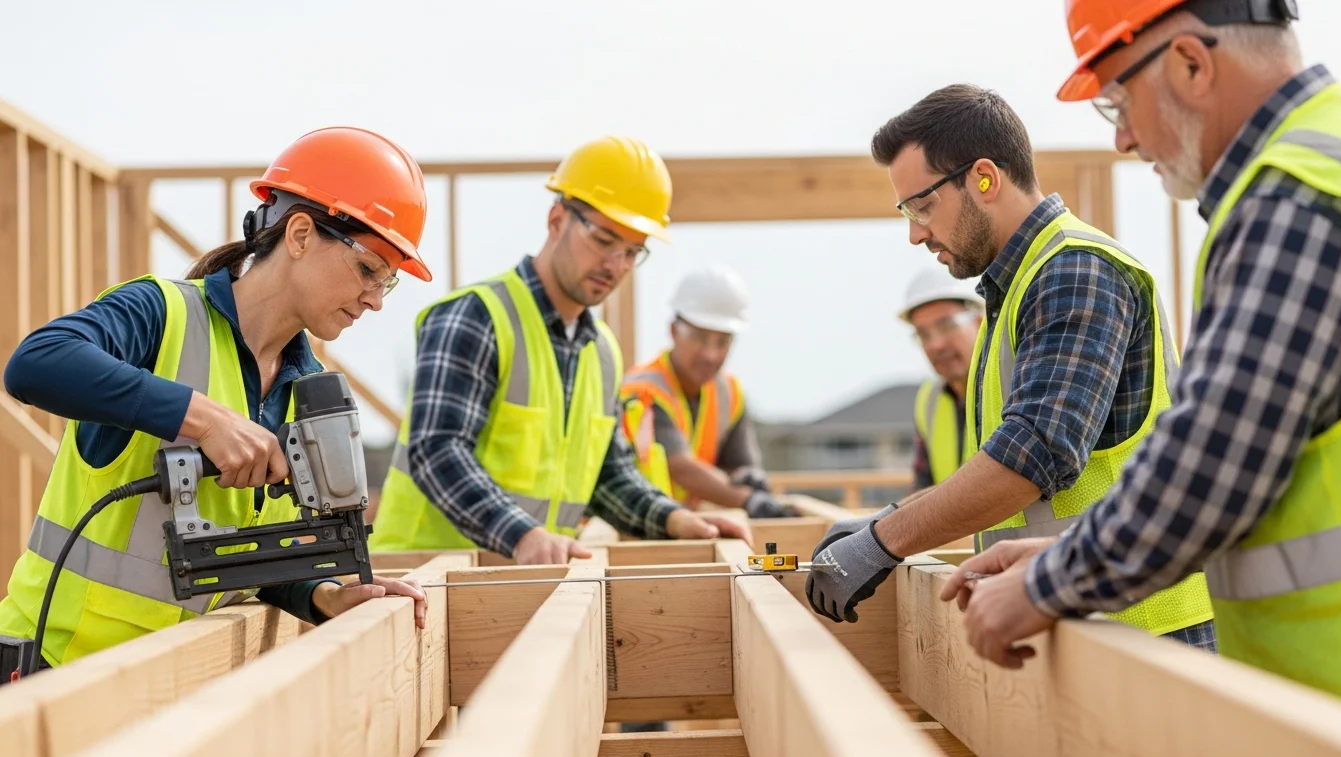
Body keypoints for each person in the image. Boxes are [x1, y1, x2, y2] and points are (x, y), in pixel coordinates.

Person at [944, 0, 1341, 721]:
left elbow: (1214, 467)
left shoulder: (1295, 198)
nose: (1124, 138)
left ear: (1191, 62)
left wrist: (1048, 583)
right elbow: (1288, 478)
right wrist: (1065, 548)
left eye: (1118, 103)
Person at [0, 127, 432, 670]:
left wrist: (322, 596)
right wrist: (204, 420)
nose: (375, 300)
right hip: (51, 677)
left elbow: (244, 549)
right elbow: (36, 363)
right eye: (369, 268)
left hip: (172, 700)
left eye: (387, 283)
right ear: (299, 235)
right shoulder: (162, 315)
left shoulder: (306, 391)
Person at [803, 84, 1215, 651]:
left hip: (1143, 630)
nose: (915, 233)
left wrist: (882, 542)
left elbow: (1032, 457)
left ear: (985, 179)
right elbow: (1004, 462)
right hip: (1078, 621)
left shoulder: (1073, 271)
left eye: (922, 206)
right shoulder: (1021, 283)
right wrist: (888, 519)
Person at [369, 136, 752, 564]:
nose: (616, 265)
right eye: (604, 240)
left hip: (528, 583)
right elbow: (438, 449)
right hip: (421, 576)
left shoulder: (603, 351)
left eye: (632, 252)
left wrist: (675, 519)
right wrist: (524, 535)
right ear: (556, 220)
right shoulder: (477, 317)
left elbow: (609, 475)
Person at [619, 265, 795, 518]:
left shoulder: (729, 392)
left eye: (722, 342)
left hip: (687, 525)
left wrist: (749, 477)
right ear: (674, 332)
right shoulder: (644, 388)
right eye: (700, 338)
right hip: (635, 524)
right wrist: (749, 500)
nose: (710, 354)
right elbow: (678, 466)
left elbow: (741, 465)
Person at [898, 265, 982, 493]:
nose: (935, 344)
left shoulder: (1013, 386)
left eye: (947, 326)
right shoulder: (929, 399)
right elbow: (922, 487)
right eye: (923, 334)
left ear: (980, 321)